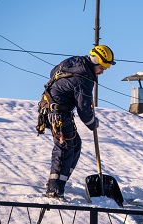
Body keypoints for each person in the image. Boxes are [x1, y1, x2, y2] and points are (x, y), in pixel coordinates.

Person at [43, 45, 116, 200]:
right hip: (59, 113)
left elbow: (53, 72)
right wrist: (92, 123)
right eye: (102, 67)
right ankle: (54, 189)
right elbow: (84, 110)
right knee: (65, 148)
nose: (103, 71)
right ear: (96, 62)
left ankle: (58, 183)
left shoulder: (75, 62)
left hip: (54, 108)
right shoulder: (84, 79)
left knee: (75, 145)